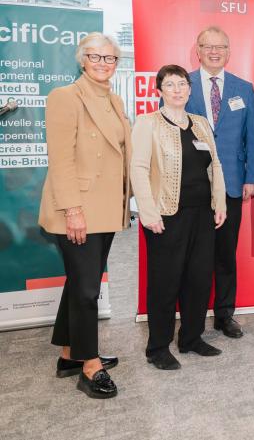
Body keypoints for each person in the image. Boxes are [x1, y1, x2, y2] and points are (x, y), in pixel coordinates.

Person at [38, 33, 131, 398]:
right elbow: (59, 160)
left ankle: (68, 354)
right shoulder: (65, 97)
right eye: (95, 56)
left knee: (81, 282)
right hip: (78, 208)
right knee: (89, 288)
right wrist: (72, 210)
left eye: (110, 58)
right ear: (82, 59)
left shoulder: (114, 98)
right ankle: (89, 366)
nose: (102, 63)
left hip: (107, 207)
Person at [131, 64, 228, 370]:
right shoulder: (148, 123)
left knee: (199, 279)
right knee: (164, 283)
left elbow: (215, 166)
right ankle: (157, 347)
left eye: (182, 84)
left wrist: (220, 202)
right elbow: (139, 169)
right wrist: (148, 212)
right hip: (166, 215)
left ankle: (191, 338)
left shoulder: (199, 123)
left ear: (189, 89)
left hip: (202, 214)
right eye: (170, 84)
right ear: (159, 90)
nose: (177, 89)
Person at [185, 26, 254, 339]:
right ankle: (193, 318)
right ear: (198, 50)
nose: (214, 52)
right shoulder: (182, 84)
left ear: (229, 52)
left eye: (221, 47)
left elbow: (251, 137)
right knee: (194, 256)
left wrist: (253, 177)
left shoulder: (243, 88)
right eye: (208, 46)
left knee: (225, 254)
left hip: (231, 183)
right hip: (193, 185)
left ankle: (224, 314)